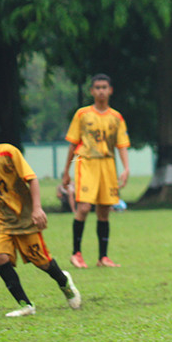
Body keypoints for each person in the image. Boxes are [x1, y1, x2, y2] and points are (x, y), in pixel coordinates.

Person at [0, 117, 81, 317]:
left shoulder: (8, 153)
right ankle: (26, 305)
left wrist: (37, 209)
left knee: (43, 263)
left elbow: (32, 179)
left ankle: (64, 282)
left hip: (25, 218)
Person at [61, 73, 130, 268]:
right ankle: (76, 253)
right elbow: (73, 144)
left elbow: (122, 145)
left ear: (110, 90)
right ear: (92, 91)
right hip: (86, 162)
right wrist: (66, 171)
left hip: (107, 164)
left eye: (104, 87)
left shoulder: (116, 117)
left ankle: (103, 257)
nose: (101, 91)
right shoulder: (82, 114)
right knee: (83, 208)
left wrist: (126, 168)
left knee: (104, 211)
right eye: (97, 87)